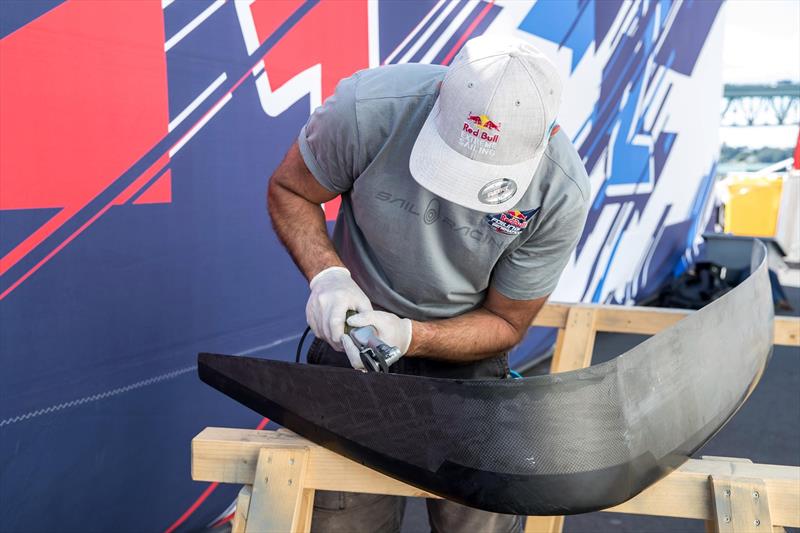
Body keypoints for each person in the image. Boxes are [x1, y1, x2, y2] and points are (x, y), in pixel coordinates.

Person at [267, 35, 589, 533]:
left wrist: (412, 335)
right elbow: (291, 190)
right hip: (355, 345)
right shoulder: (368, 110)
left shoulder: (558, 191)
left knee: (480, 518)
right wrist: (330, 279)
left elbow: (506, 320)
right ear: (439, 95)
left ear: (548, 133)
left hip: (468, 358)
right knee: (345, 520)